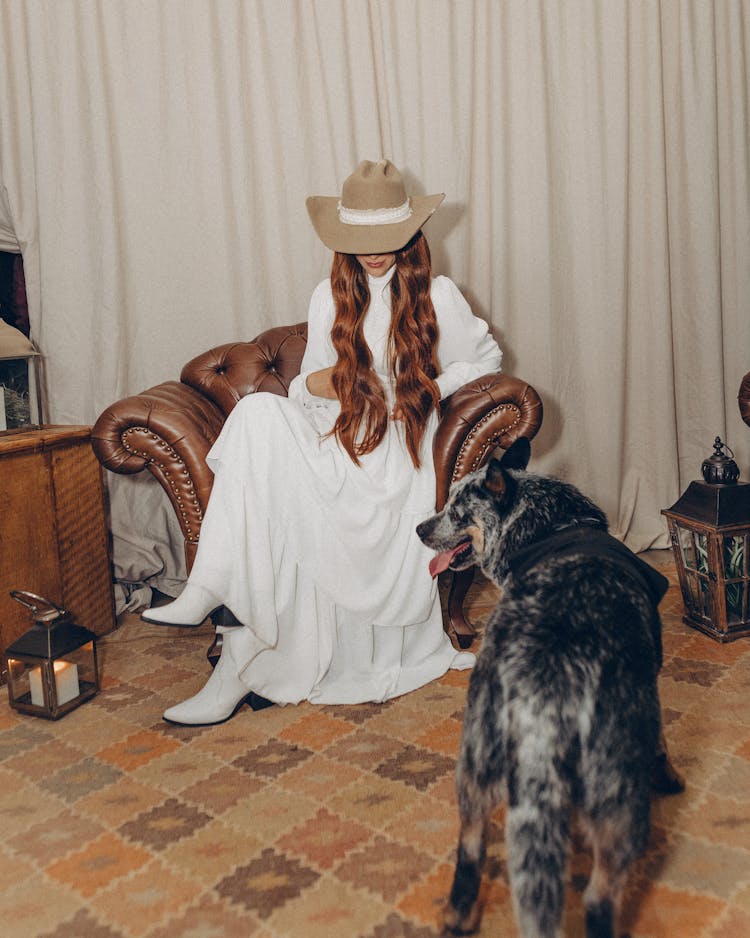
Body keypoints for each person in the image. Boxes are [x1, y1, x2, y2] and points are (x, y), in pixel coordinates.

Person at [142, 159, 502, 725]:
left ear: (409, 234)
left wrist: (420, 388)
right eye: (360, 240)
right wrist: (323, 383)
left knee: (274, 479)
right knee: (259, 414)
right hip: (339, 435)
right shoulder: (326, 297)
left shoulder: (438, 295)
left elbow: (484, 362)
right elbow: (305, 397)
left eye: (385, 238)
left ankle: (232, 661)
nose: (374, 252)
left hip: (397, 451)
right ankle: (209, 592)